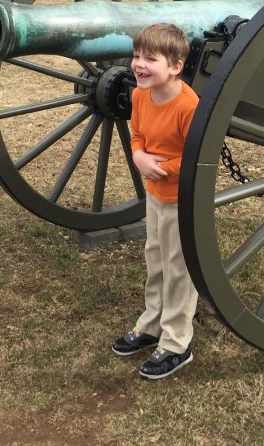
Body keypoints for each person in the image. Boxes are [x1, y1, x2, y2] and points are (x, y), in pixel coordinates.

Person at [111, 23, 200, 380]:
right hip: (155, 194)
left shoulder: (188, 106)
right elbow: (137, 134)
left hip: (181, 198)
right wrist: (138, 157)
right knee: (155, 259)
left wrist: (161, 167)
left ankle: (178, 342)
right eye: (136, 56)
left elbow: (198, 159)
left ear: (176, 67)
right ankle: (151, 324)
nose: (139, 64)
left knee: (179, 268)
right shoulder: (139, 96)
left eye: (151, 58)